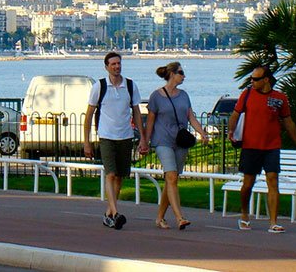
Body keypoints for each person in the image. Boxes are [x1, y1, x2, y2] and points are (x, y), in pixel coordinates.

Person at [226, 67, 296, 233]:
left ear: (266, 80)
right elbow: (235, 115)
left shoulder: (280, 98)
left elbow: (288, 121)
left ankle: (273, 222)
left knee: (273, 180)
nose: (252, 82)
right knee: (248, 184)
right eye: (251, 79)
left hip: (271, 146)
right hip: (250, 146)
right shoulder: (247, 95)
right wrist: (231, 131)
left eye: (256, 79)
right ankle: (244, 215)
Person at [83, 52, 148, 230]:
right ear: (106, 67)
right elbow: (88, 115)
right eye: (113, 64)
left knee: (119, 176)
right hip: (106, 136)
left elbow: (136, 111)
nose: (117, 67)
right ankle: (116, 212)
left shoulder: (130, 85)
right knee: (110, 174)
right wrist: (87, 142)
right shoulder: (100, 86)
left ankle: (109, 214)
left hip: (125, 136)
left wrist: (142, 138)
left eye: (118, 63)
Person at [144, 61, 208, 230]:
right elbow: (150, 121)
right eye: (180, 72)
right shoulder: (156, 96)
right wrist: (145, 141)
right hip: (162, 140)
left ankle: (159, 217)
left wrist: (202, 132)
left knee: (171, 179)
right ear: (172, 74)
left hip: (180, 141)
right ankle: (180, 217)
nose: (183, 76)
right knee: (171, 176)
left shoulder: (184, 95)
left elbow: (191, 117)